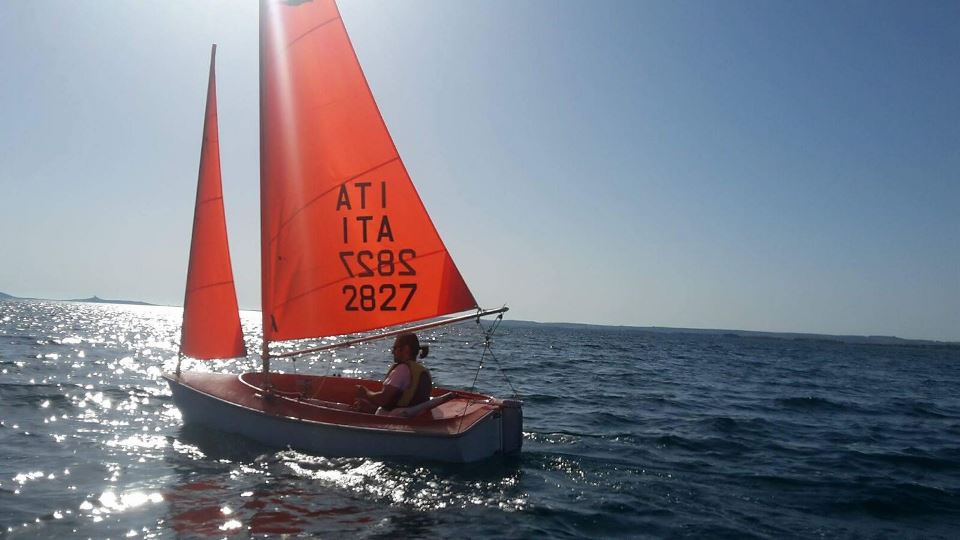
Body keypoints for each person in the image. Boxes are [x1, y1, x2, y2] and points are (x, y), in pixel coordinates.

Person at [353, 333, 432, 414]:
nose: (392, 352)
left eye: (395, 348)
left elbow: (383, 399)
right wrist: (371, 407)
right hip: (407, 416)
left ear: (406, 349)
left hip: (391, 419)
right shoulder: (421, 371)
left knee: (345, 407)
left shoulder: (402, 370)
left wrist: (366, 393)